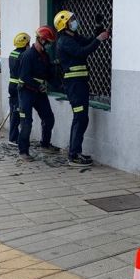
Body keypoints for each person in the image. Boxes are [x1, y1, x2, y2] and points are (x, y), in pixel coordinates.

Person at [54, 10, 110, 167]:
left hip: (80, 84)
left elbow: (88, 42)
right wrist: (99, 39)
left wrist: (98, 29)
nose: (75, 21)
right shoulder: (64, 41)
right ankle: (73, 155)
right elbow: (82, 52)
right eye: (72, 20)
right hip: (74, 86)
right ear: (65, 25)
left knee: (82, 118)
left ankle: (75, 152)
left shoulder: (73, 37)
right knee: (80, 118)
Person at [16, 26, 60, 162]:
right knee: (27, 122)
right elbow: (24, 76)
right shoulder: (28, 55)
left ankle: (45, 144)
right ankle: (23, 151)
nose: (49, 45)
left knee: (49, 118)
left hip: (39, 93)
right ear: (41, 39)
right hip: (26, 92)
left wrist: (60, 86)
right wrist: (38, 86)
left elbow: (47, 74)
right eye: (48, 42)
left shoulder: (45, 56)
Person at [7, 32, 31, 147]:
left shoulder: (12, 53)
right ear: (25, 44)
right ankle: (13, 139)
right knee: (16, 114)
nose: (29, 45)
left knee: (13, 112)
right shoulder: (23, 55)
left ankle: (13, 137)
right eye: (28, 43)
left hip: (11, 85)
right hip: (18, 87)